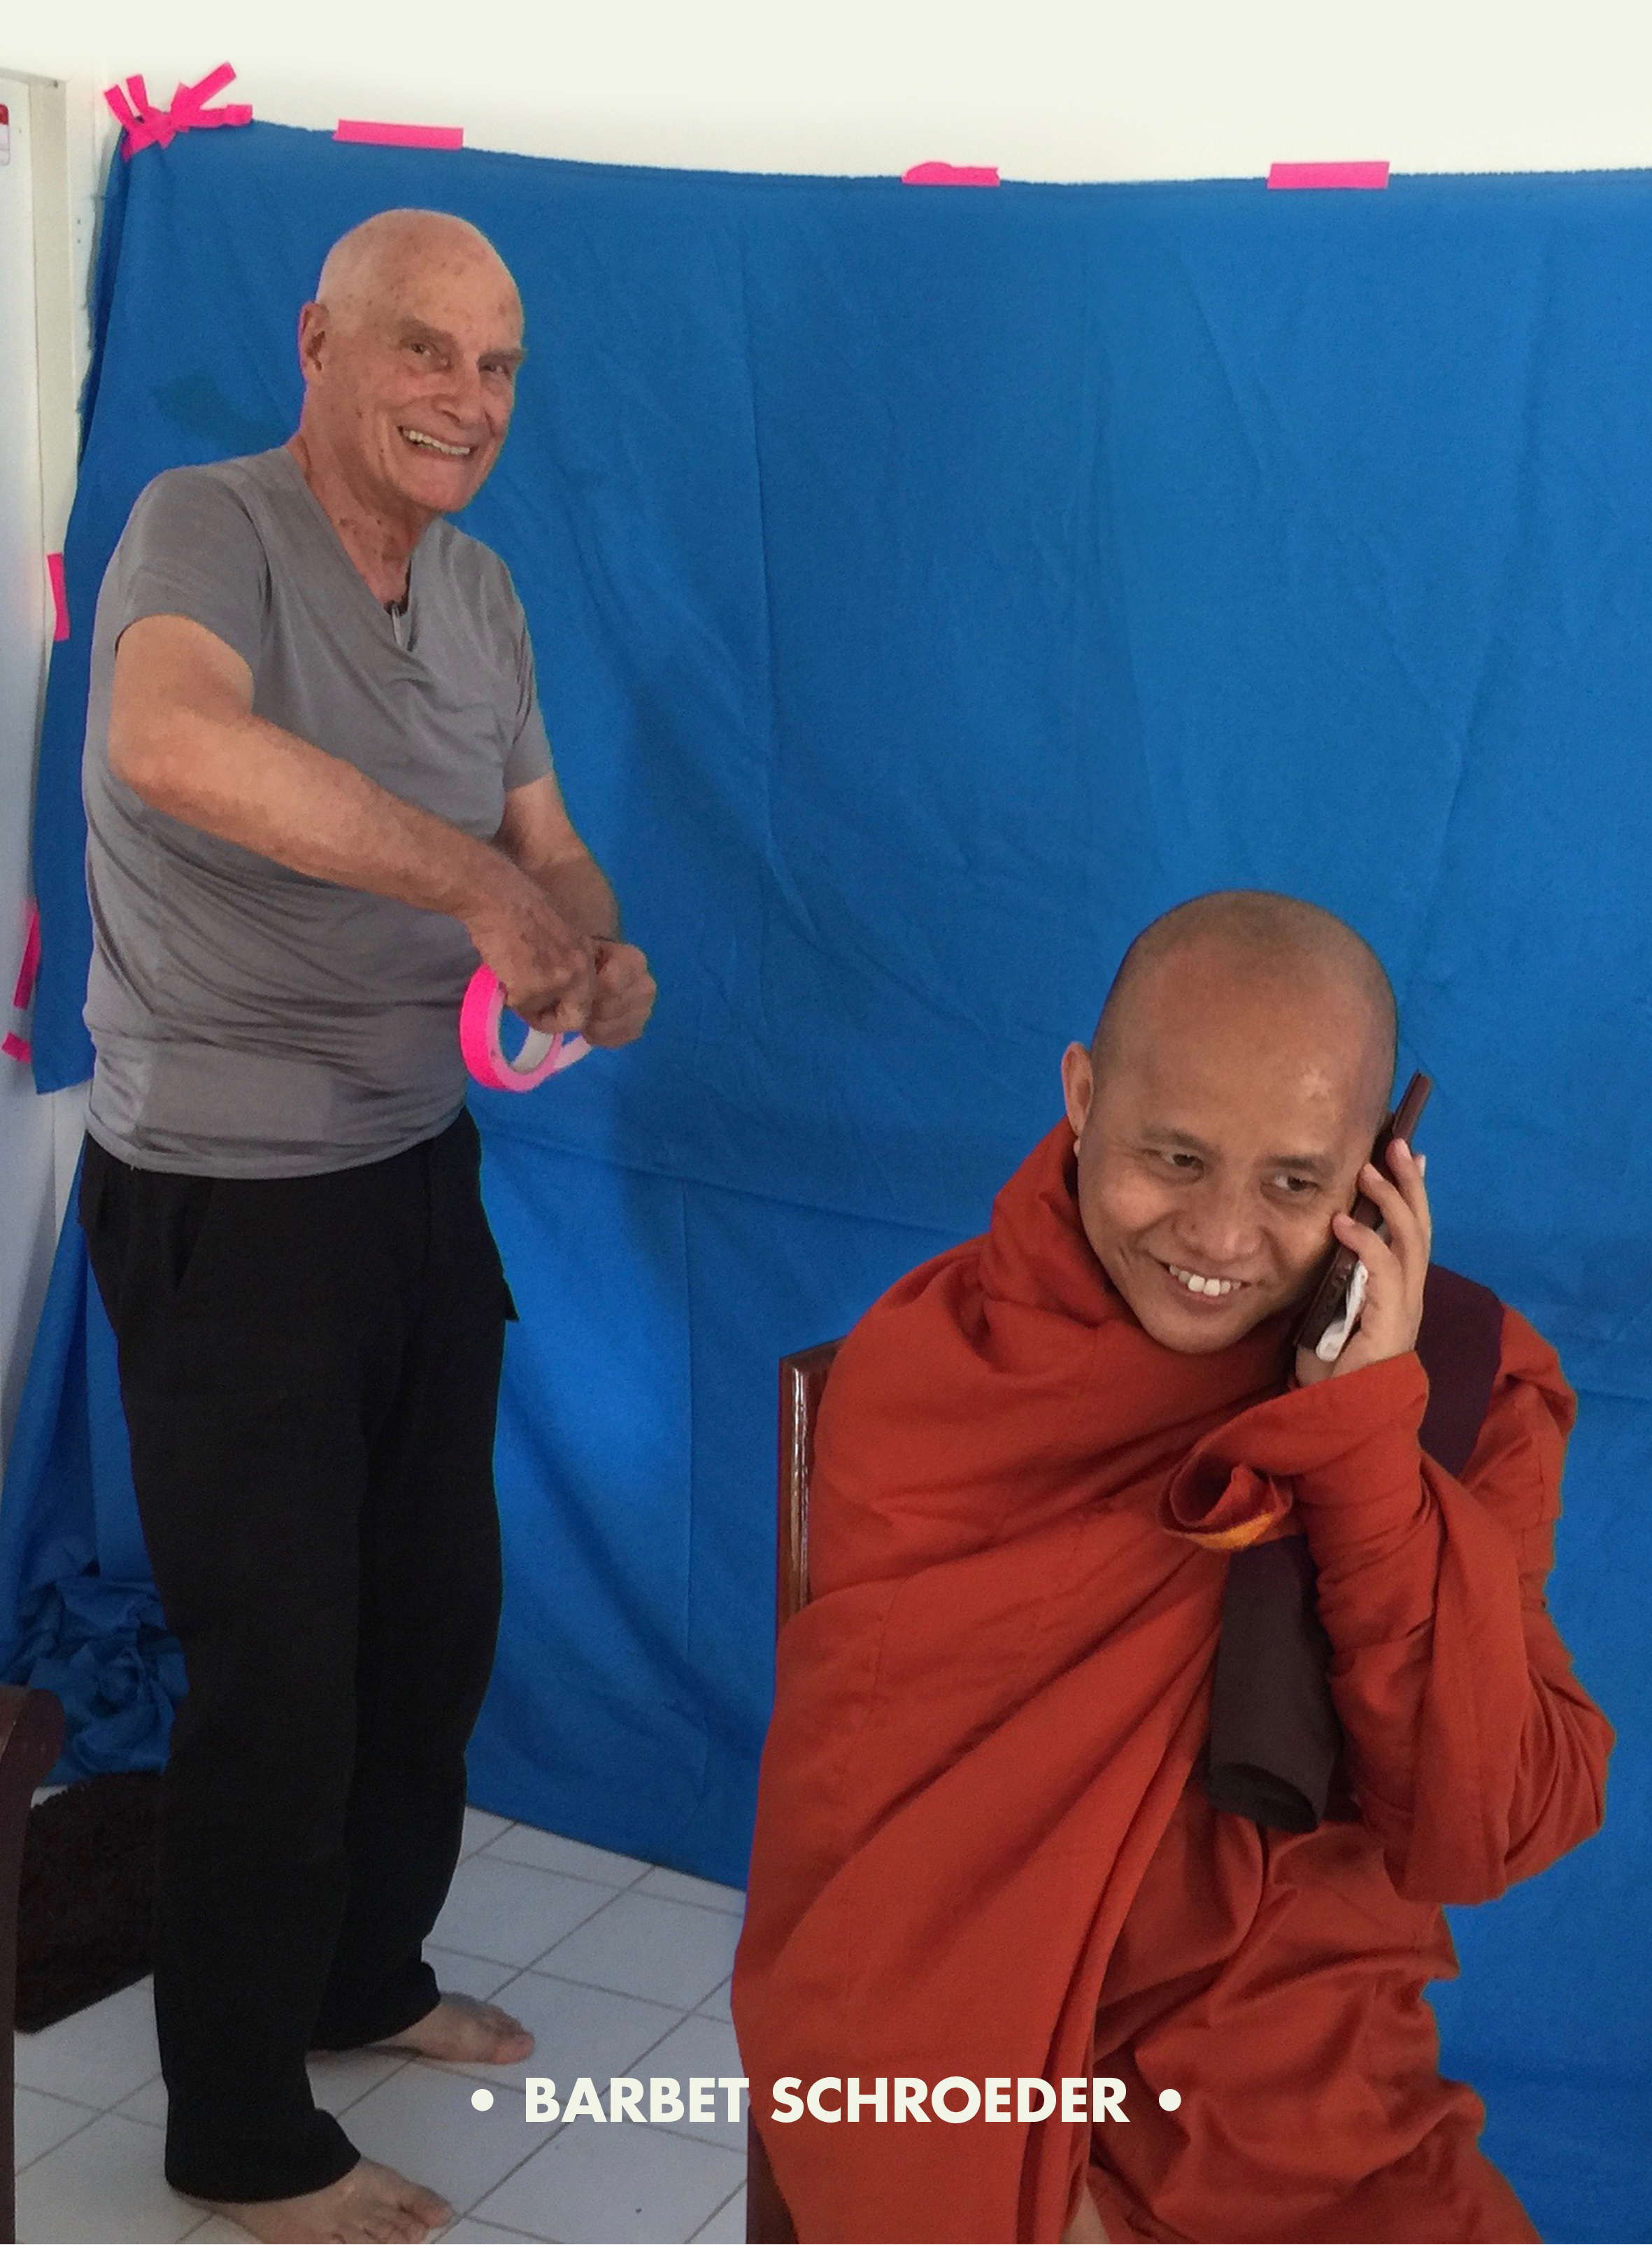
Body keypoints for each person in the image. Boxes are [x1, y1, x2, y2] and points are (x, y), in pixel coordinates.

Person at [732, 891, 1611, 2244]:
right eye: (1175, 1157)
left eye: (1294, 1183)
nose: (1217, 1238)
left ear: (1381, 1174)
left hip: (1323, 2105)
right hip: (1006, 2106)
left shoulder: (1462, 1395)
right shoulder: (938, 1378)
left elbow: (1483, 1821)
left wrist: (1364, 1443)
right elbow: (874, 1888)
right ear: (1082, 1096)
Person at [77, 208, 655, 2244]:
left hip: (417, 1172)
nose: (466, 403)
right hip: (226, 1193)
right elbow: (167, 740)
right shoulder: (201, 528)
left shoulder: (484, 593)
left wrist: (586, 946)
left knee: (432, 1625)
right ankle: (234, 2131)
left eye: (498, 372)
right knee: (278, 1668)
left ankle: (354, 1979)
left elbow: (551, 847)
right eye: (426, 351)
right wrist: (475, 900)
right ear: (321, 341)